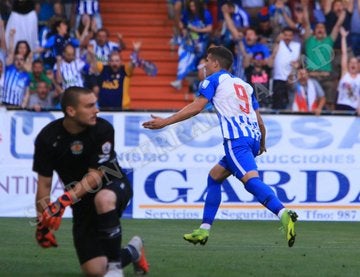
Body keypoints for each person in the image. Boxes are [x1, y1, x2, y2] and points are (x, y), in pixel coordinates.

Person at [143, 46, 298, 247]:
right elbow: (260, 121)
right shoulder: (245, 85)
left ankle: (283, 213)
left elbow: (197, 107)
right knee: (214, 176)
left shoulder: (212, 80)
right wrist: (261, 143)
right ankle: (204, 230)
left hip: (236, 140)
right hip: (252, 137)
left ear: (216, 63)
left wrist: (165, 122)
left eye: (207, 60)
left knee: (251, 182)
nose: (204, 64)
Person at [33, 86, 149, 276]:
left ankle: (115, 268)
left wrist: (63, 202)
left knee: (102, 199)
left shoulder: (103, 129)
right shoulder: (47, 138)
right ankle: (132, 251)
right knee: (94, 271)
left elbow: (95, 176)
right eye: (89, 106)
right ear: (71, 111)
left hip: (112, 186)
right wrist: (42, 224)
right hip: (80, 201)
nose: (96, 109)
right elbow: (44, 184)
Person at [95, 42, 141, 110]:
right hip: (102, 108)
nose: (114, 63)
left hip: (121, 109)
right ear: (108, 62)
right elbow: (92, 62)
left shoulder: (125, 70)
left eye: (117, 61)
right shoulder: (103, 69)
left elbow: (133, 63)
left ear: (121, 62)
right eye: (112, 61)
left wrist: (136, 52)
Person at [335, 27, 360, 114]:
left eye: (355, 63)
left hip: (354, 108)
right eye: (351, 63)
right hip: (341, 106)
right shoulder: (345, 73)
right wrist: (343, 37)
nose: (353, 64)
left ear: (358, 66)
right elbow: (344, 53)